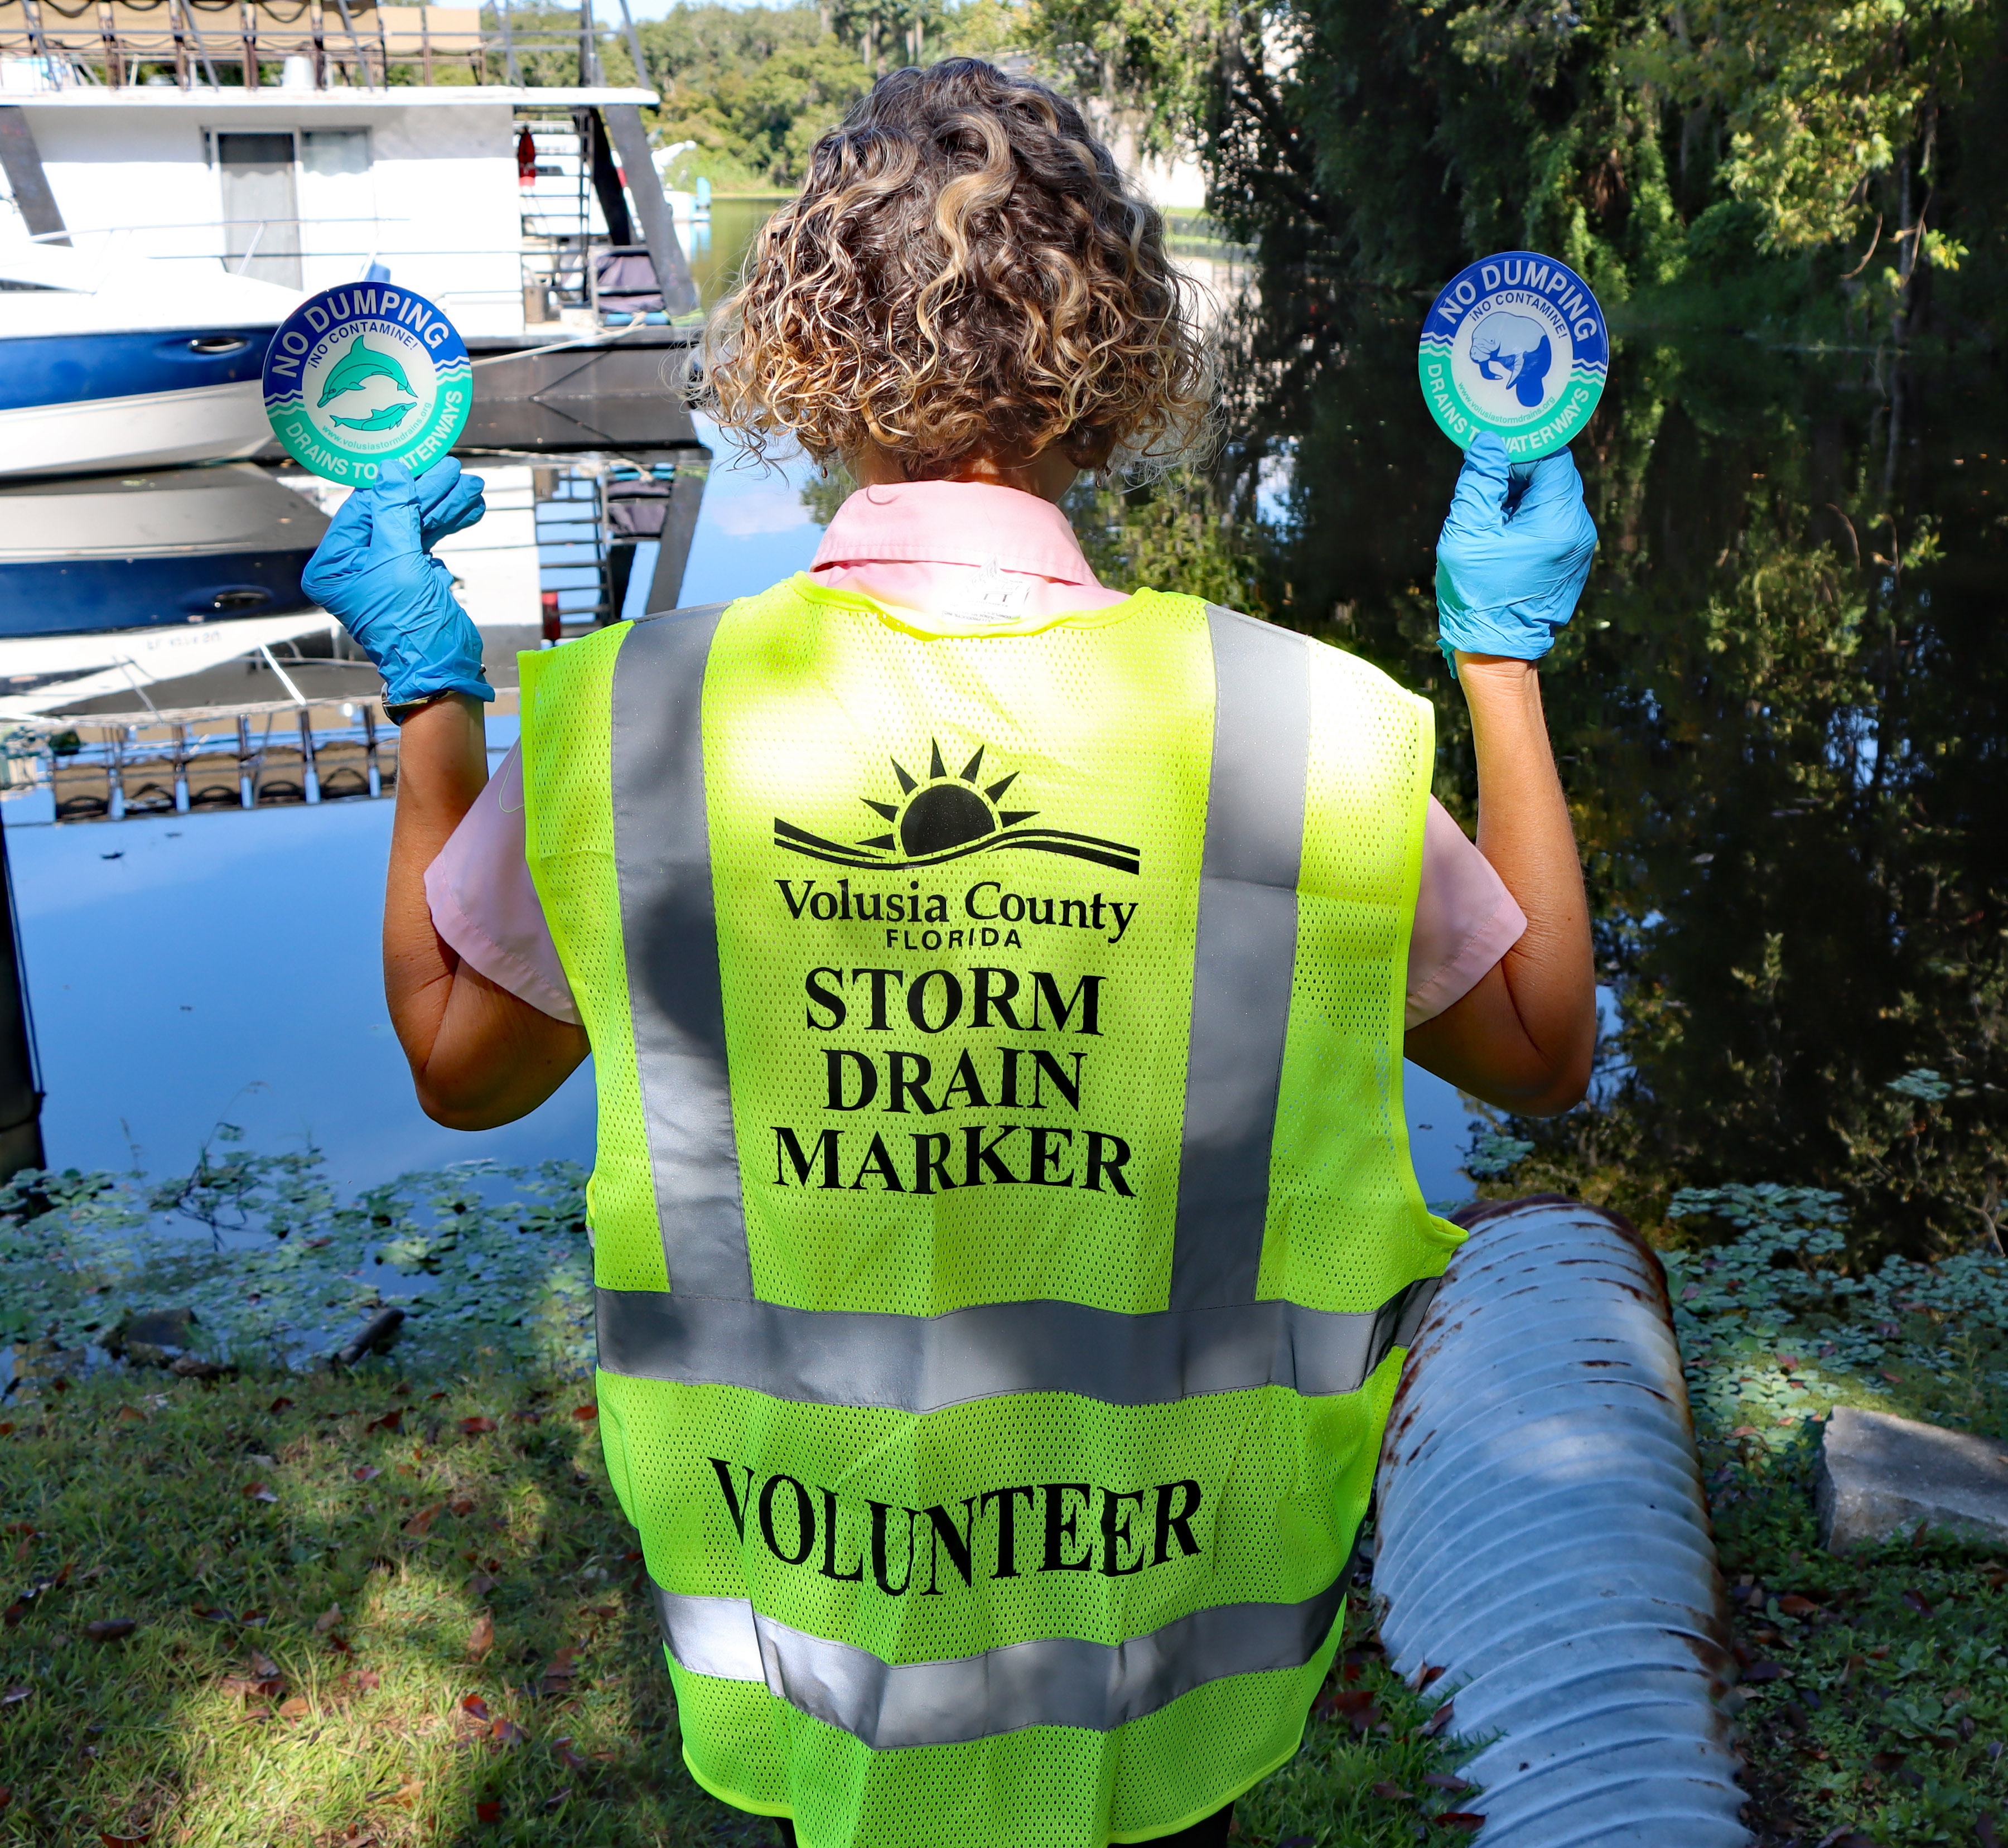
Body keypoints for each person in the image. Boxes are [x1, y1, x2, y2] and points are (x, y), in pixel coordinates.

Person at [302, 58, 1596, 1848]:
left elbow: (456, 1064)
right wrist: (1503, 667)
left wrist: (439, 702)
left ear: (809, 349)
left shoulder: (645, 725)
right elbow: (1541, 1043)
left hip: (816, 1645)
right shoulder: (1285, 725)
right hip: (1154, 1669)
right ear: (1112, 356)